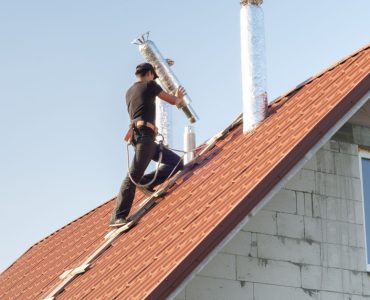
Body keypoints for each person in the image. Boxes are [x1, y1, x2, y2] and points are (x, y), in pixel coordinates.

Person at [110, 63, 185, 227]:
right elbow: (172, 101)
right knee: (132, 176)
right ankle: (117, 216)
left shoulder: (129, 91)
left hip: (144, 137)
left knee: (177, 163)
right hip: (144, 137)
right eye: (153, 76)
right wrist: (179, 97)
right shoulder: (150, 84)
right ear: (150, 73)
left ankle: (148, 183)